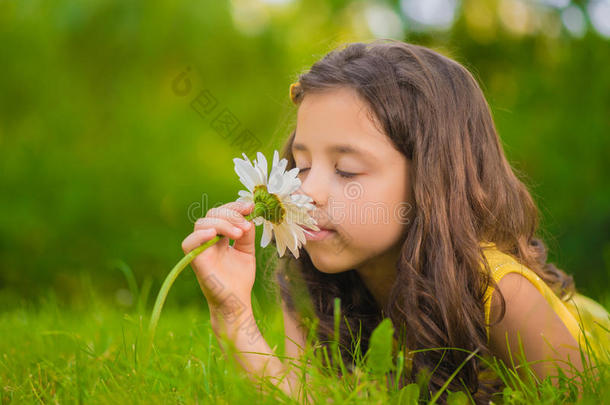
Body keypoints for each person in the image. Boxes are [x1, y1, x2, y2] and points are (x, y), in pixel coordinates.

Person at [180, 39, 610, 404]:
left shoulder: (500, 294)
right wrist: (234, 314)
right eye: (302, 164)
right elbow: (307, 397)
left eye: (346, 170)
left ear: (431, 180)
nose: (304, 191)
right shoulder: (314, 277)